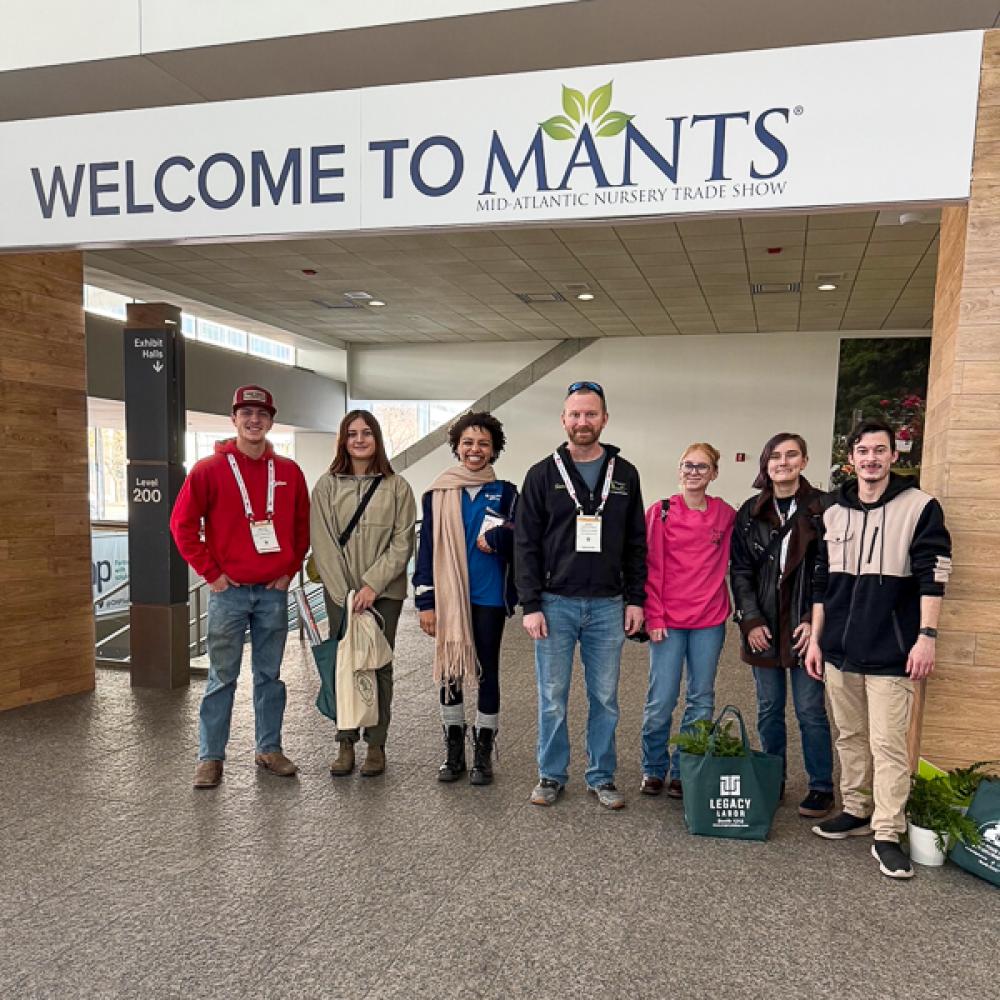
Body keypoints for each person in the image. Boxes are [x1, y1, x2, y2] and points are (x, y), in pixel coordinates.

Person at [805, 418, 952, 880]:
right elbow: (821, 581)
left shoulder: (920, 507)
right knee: (849, 736)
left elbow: (934, 575)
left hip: (892, 651)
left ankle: (887, 831)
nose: (871, 459)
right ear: (851, 459)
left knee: (888, 744)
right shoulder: (832, 510)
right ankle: (856, 809)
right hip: (838, 650)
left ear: (894, 456)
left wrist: (927, 637)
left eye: (880, 450)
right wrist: (815, 637)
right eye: (863, 451)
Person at [170, 385, 310, 789]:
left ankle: (269, 748)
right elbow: (182, 526)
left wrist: (289, 570)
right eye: (246, 413)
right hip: (227, 593)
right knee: (221, 678)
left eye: (262, 414)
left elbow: (302, 528)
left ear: (271, 421)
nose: (254, 420)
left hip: (272, 591)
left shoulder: (288, 471)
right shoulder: (207, 470)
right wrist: (211, 574)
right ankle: (210, 757)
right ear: (234, 419)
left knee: (270, 675)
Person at [516, 380, 646, 810]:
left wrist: (635, 598)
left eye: (591, 414)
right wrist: (530, 604)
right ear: (563, 420)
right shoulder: (541, 474)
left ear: (604, 419)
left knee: (605, 697)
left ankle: (601, 775)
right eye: (575, 414)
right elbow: (526, 546)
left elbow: (635, 543)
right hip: (555, 604)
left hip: (609, 605)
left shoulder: (625, 475)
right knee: (552, 697)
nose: (583, 421)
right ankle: (551, 775)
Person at [730, 433, 835, 818]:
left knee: (810, 708)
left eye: (791, 455)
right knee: (769, 707)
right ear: (766, 463)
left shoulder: (824, 507)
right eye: (775, 456)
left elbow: (831, 571)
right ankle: (773, 777)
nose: (783, 462)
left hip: (806, 627)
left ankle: (821, 785)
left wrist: (813, 621)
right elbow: (740, 570)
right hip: (765, 627)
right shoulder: (750, 511)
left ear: (804, 461)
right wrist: (750, 620)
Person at [413, 411, 518, 785]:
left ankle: (483, 754)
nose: (475, 449)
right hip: (447, 598)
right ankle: (453, 752)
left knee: (487, 672)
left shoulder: (506, 491)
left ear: (494, 450)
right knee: (450, 672)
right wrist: (426, 602)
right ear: (457, 447)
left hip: (489, 597)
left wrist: (499, 538)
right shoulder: (438, 493)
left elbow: (520, 541)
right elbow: (425, 549)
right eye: (469, 442)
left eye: (484, 443)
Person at [310, 410, 416, 778]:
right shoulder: (326, 486)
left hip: (383, 593)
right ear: (342, 439)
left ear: (377, 439)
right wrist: (345, 593)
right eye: (352, 433)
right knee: (344, 663)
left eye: (366, 433)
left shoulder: (397, 486)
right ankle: (344, 741)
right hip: (341, 594)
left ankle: (376, 743)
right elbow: (322, 542)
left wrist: (372, 586)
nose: (359, 439)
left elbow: (403, 542)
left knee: (378, 663)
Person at [639, 443, 736, 799]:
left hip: (709, 620)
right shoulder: (661, 512)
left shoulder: (725, 514)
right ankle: (653, 768)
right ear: (679, 470)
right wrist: (654, 615)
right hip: (668, 620)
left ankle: (685, 766)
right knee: (661, 698)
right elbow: (650, 568)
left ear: (714, 473)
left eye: (702, 466)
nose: (694, 471)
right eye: (688, 465)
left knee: (701, 698)